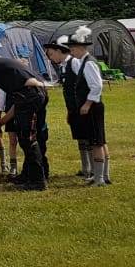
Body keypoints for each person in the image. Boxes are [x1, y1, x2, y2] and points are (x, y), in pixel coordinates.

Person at [0, 51, 50, 191]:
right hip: (38, 92)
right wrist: (3, 120)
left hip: (29, 95)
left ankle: (37, 181)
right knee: (31, 136)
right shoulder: (7, 66)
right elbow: (19, 102)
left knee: (27, 138)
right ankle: (29, 174)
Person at [68, 27, 110, 186]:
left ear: (80, 48)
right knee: (98, 140)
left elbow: (96, 86)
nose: (72, 52)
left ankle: (100, 178)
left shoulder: (89, 63)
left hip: (93, 107)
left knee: (96, 141)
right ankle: (102, 175)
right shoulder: (85, 62)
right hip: (93, 106)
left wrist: (87, 103)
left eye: (72, 49)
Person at [45, 35, 91, 178]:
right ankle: (85, 167)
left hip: (82, 106)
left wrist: (85, 104)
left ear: (60, 51)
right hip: (73, 108)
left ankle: (92, 169)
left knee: (88, 138)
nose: (51, 59)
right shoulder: (63, 66)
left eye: (51, 54)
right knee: (80, 138)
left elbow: (85, 83)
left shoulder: (74, 63)